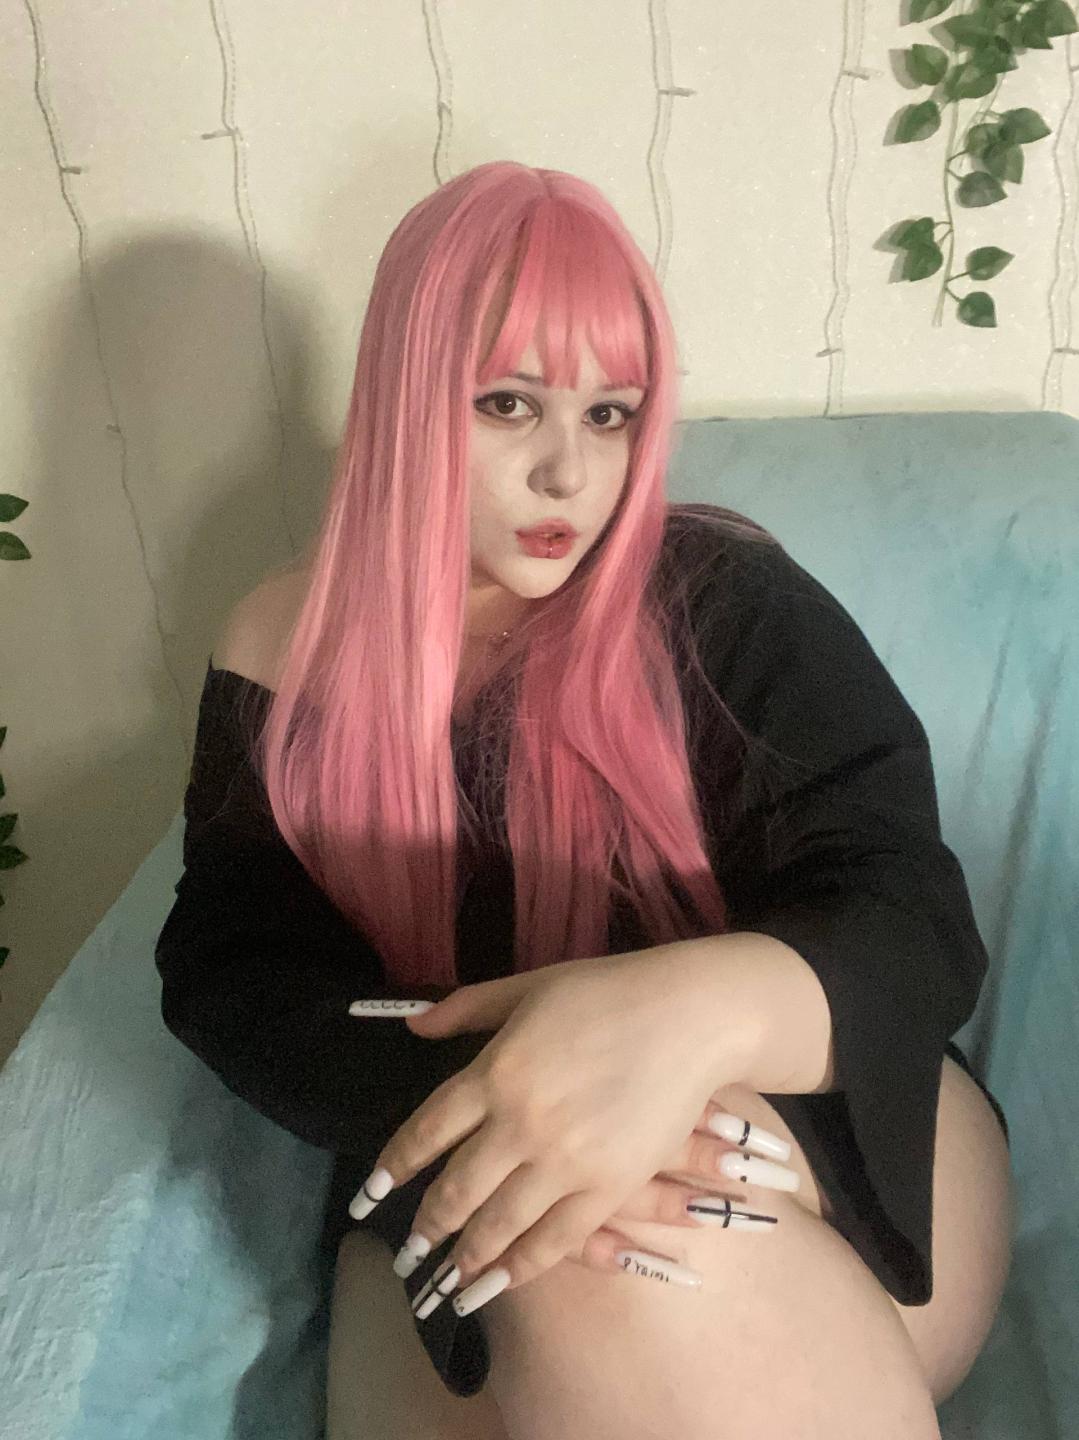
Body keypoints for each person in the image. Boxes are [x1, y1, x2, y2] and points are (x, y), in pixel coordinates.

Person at [155, 162, 1015, 1440]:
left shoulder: (723, 600)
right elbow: (234, 973)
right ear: (403, 397)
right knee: (549, 1214)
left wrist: (676, 1021)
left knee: (612, 1248)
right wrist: (520, 1093)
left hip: (821, 1121)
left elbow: (906, 916)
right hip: (449, 1128)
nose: (567, 472)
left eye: (609, 414)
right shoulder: (280, 646)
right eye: (508, 404)